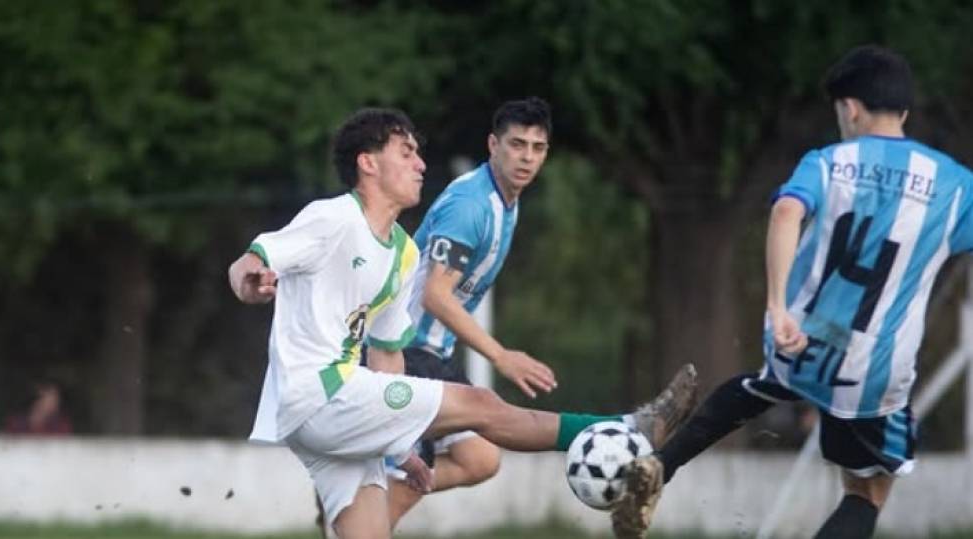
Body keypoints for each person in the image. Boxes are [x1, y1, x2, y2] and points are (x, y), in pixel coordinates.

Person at [228, 107, 699, 539]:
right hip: (322, 395)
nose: (420, 165)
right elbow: (251, 260)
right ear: (367, 163)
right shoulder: (333, 218)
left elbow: (387, 353)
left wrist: (398, 450)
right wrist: (252, 281)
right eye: (406, 152)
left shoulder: (403, 252)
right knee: (482, 405)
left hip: (337, 408)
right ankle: (629, 429)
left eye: (419, 154)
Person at [623, 45, 973, 538]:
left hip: (803, 330)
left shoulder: (830, 161)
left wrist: (777, 305)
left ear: (850, 107)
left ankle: (665, 462)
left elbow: (787, 211)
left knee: (768, 382)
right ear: (905, 111)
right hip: (875, 363)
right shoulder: (955, 184)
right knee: (866, 493)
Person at [381, 96, 557, 528]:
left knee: (479, 459)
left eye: (536, 148)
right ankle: (361, 509)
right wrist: (500, 356)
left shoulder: (506, 202)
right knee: (403, 486)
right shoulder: (472, 206)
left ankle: (360, 496)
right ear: (493, 145)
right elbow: (436, 296)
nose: (526, 157)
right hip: (407, 350)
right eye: (517, 145)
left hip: (433, 352)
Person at [5, 379, 73, 436]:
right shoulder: (16, 422)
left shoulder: (61, 425)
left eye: (56, 398)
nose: (56, 402)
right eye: (50, 397)